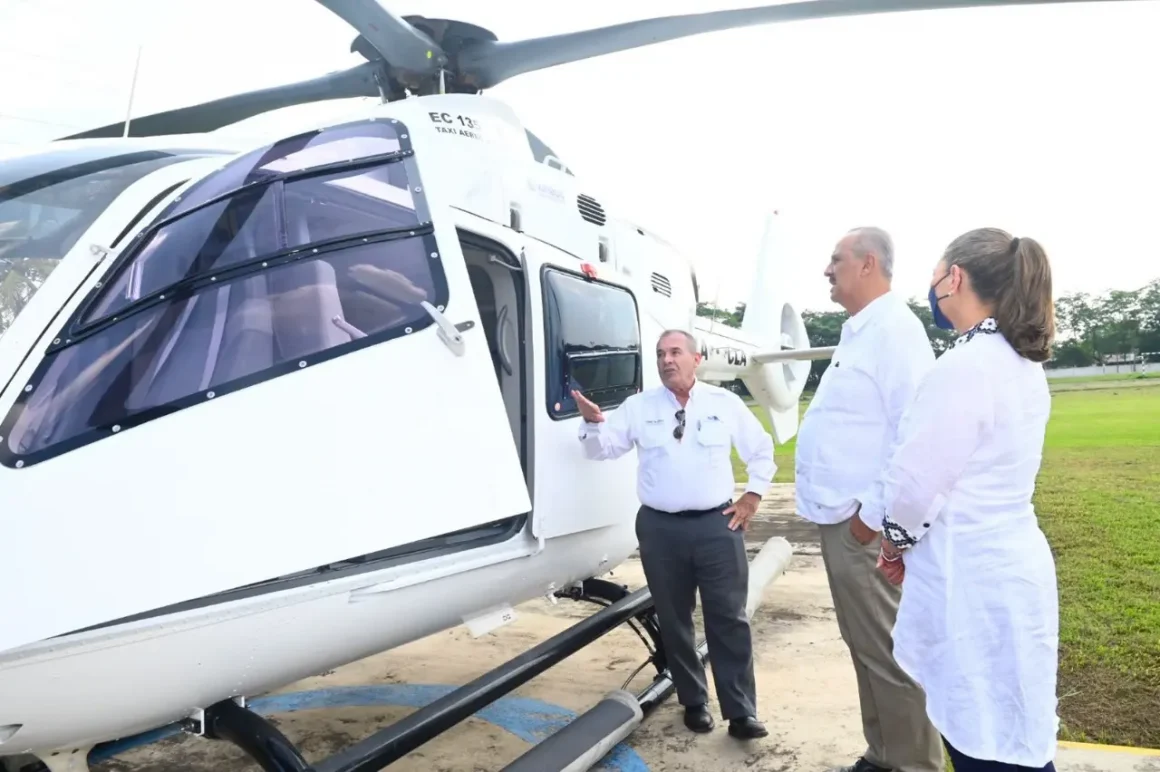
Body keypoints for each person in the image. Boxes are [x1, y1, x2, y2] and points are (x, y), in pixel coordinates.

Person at [876, 228, 1061, 772]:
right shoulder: (1018, 361)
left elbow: (916, 485)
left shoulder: (965, 365)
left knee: (984, 735)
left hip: (972, 575)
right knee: (1011, 721)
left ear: (954, 278)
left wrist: (892, 547)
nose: (931, 288)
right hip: (1008, 566)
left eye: (935, 275)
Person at [574, 328, 774, 740]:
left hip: (718, 525)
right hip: (660, 527)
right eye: (661, 353)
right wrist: (594, 423)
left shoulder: (724, 402)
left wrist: (752, 496)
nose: (667, 359)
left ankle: (741, 712)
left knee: (729, 619)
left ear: (695, 359)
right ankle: (694, 702)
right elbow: (602, 450)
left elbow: (761, 449)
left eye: (676, 352)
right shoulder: (638, 406)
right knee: (674, 618)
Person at [794, 227, 944, 772]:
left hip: (864, 526)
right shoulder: (859, 333)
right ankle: (883, 754)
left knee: (889, 655)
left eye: (836, 259)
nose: (827, 270)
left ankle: (914, 765)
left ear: (868, 264)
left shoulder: (895, 333)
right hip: (842, 520)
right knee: (865, 649)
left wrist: (870, 518)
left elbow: (917, 433)